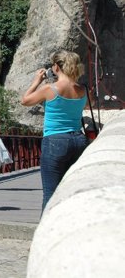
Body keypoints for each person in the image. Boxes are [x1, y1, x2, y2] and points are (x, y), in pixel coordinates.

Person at [21, 50, 88, 212]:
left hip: (55, 140)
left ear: (57, 67)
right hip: (79, 140)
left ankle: (47, 233)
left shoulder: (50, 89)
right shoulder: (83, 90)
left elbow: (25, 100)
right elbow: (84, 105)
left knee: (51, 193)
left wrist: (36, 81)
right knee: (71, 191)